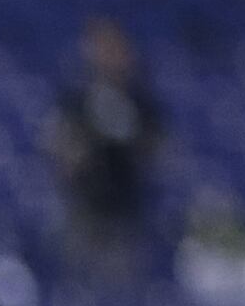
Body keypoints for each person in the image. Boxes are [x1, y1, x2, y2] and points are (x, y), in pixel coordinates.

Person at [47, 18, 163, 276]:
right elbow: (61, 151)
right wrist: (90, 141)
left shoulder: (140, 103)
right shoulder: (78, 103)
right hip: (86, 212)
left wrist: (128, 136)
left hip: (127, 211)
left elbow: (157, 152)